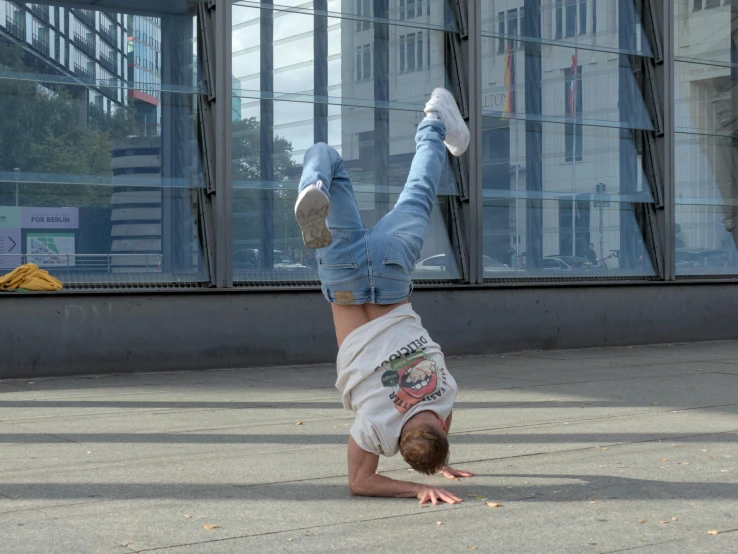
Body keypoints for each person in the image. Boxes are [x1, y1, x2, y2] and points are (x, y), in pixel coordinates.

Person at [294, 88, 473, 505]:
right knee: (325, 153)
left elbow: (437, 422)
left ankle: (434, 120)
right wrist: (419, 484)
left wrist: (438, 455)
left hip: (391, 275)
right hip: (343, 279)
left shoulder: (446, 395)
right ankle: (316, 182)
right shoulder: (375, 427)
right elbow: (361, 482)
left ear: (443, 429)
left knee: (418, 191)